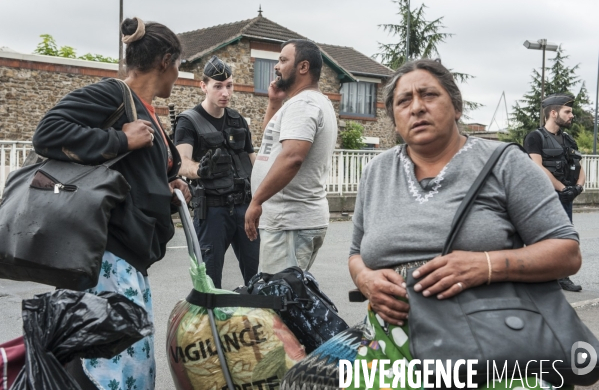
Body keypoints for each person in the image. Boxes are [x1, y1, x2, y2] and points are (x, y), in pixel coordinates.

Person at [281, 59, 581, 390]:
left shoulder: (506, 163)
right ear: (394, 117)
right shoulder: (376, 172)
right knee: (301, 382)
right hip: (391, 336)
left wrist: (485, 265)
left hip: (487, 331)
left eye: (429, 95)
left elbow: (566, 252)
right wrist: (365, 278)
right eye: (403, 101)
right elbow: (356, 254)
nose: (417, 107)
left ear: (456, 106)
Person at [32, 17, 191, 390]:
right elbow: (48, 132)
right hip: (105, 259)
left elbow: (137, 182)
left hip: (132, 261)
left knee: (132, 372)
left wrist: (171, 188)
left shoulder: (147, 111)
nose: (178, 75)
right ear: (165, 60)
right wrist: (119, 139)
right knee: (110, 375)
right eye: (179, 65)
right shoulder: (113, 95)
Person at [245, 39, 337, 274]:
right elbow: (271, 146)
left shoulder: (303, 104)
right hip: (292, 223)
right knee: (286, 300)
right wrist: (274, 102)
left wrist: (256, 202)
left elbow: (292, 158)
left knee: (277, 305)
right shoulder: (305, 102)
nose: (277, 66)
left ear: (303, 67)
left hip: (290, 223)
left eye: (283, 60)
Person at [174, 56, 259, 288]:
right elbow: (181, 162)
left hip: (244, 208)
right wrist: (200, 170)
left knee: (257, 280)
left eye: (229, 86)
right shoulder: (188, 121)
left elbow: (253, 161)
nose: (225, 92)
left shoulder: (237, 120)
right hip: (212, 211)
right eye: (218, 86)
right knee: (210, 285)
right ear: (204, 86)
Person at [523, 93, 586, 292]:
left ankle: (561, 277)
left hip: (566, 197)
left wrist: (578, 187)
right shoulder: (535, 137)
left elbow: (578, 165)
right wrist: (562, 188)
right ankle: (536, 277)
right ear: (553, 113)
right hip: (544, 197)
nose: (571, 115)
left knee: (565, 238)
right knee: (541, 238)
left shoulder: (568, 139)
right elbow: (537, 166)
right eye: (567, 111)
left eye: (571, 112)